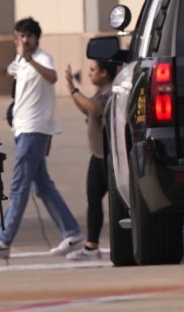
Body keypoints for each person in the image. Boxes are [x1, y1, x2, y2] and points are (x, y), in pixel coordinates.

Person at [0, 18, 84, 259]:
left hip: (35, 129)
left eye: (28, 36)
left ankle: (3, 240)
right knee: (43, 186)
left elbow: (52, 77)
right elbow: (6, 73)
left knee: (19, 186)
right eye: (20, 37)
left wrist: (29, 59)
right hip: (23, 129)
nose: (24, 41)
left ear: (36, 38)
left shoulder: (41, 58)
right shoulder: (21, 60)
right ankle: (72, 233)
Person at [64, 60, 117, 260]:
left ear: (104, 73)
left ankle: (121, 241)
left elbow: (95, 110)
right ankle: (91, 247)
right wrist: (71, 90)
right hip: (97, 155)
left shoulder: (110, 91)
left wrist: (76, 90)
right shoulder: (100, 91)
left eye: (93, 70)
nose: (89, 74)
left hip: (110, 157)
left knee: (116, 202)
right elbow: (87, 110)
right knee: (93, 199)